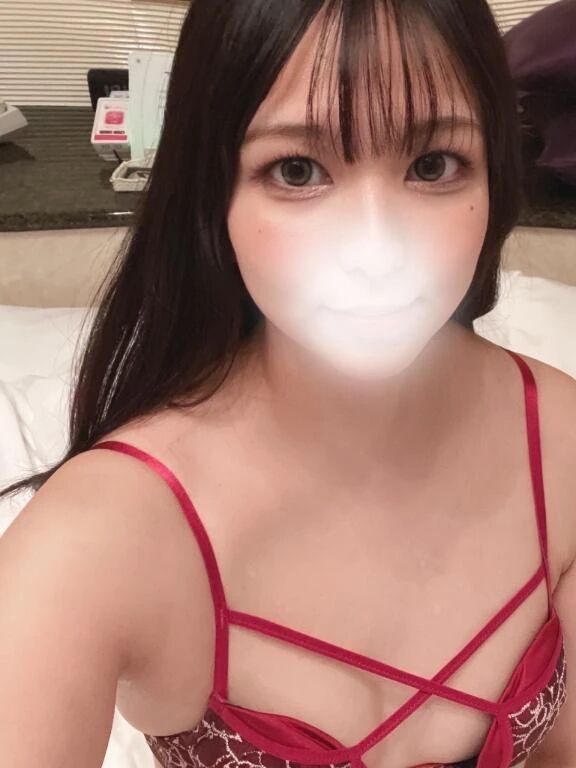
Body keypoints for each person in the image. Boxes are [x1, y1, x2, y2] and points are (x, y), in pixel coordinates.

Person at [0, 1, 574, 767]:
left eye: (433, 164)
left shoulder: (561, 443)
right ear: (213, 197)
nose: (375, 251)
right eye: (297, 170)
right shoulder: (94, 542)